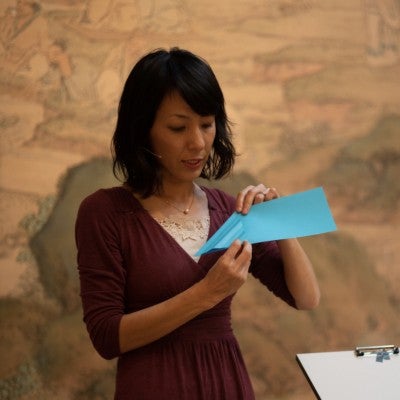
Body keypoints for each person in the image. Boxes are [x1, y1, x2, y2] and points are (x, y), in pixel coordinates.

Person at [75, 47, 320, 400]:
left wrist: (279, 223)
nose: (198, 142)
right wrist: (208, 293)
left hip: (228, 385)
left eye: (207, 124)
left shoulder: (228, 209)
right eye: (178, 127)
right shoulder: (105, 212)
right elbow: (106, 337)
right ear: (142, 129)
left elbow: (306, 298)